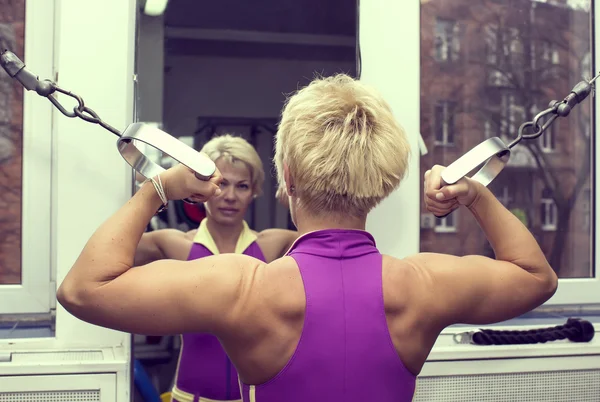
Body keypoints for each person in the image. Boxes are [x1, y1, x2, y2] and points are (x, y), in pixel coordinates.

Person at [57, 74, 558, 402]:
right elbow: (535, 277)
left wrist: (158, 188)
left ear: (287, 179)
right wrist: (472, 195)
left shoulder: (241, 287)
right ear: (382, 184)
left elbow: (84, 290)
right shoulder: (424, 284)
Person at [135, 134, 298, 402]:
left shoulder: (274, 245)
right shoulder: (174, 245)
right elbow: (110, 254)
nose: (230, 197)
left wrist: (293, 196)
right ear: (199, 189)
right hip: (189, 397)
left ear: (255, 191)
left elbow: (331, 246)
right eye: (222, 184)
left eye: (242, 186)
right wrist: (154, 193)